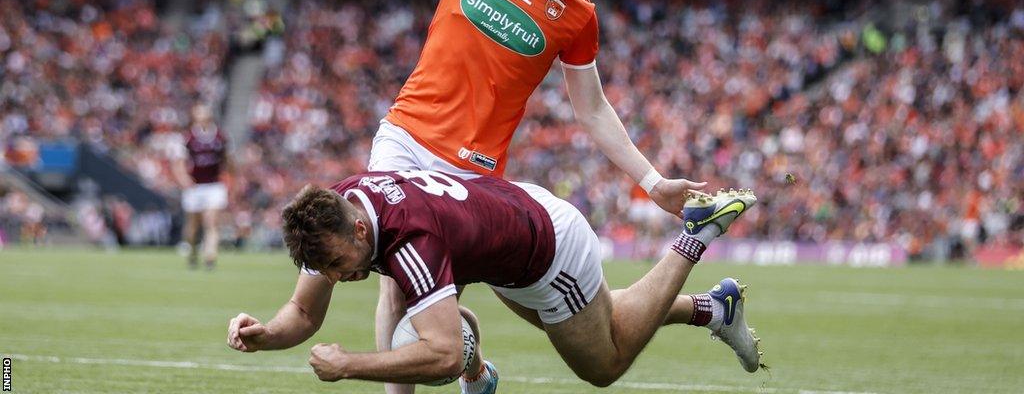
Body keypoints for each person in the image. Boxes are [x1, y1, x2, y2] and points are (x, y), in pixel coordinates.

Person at [234, 0, 708, 393]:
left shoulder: (577, 13)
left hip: (474, 170)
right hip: (406, 138)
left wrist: (652, 182)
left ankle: (700, 310)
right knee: (397, 279)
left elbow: (594, 110)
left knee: (558, 312)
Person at [226, 170, 763, 388]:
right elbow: (302, 312)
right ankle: (716, 309)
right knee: (604, 318)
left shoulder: (411, 242)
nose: (343, 279)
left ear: (361, 228)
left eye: (342, 267)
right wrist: (267, 335)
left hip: (548, 254)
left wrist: (348, 365)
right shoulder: (335, 211)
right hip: (508, 228)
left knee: (604, 362)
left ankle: (694, 237)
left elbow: (440, 357)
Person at [172, 104, 230, 269]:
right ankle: (192, 253)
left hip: (214, 185)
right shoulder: (188, 137)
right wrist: (184, 179)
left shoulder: (220, 137)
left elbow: (227, 160)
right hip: (195, 186)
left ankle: (210, 257)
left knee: (211, 222)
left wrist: (230, 178)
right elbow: (179, 163)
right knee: (193, 225)